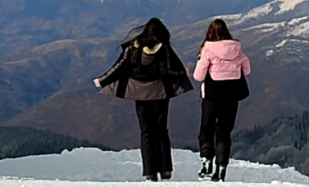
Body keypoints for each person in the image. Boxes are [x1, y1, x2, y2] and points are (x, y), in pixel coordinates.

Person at [94, 17, 193, 182]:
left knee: (146, 133)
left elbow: (120, 67)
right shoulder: (164, 48)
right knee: (161, 131)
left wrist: (102, 80)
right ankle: (165, 170)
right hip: (160, 94)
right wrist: (183, 73)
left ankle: (149, 172)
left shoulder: (133, 48)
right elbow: (168, 70)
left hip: (140, 95)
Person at [192, 19, 251, 182]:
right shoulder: (237, 49)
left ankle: (206, 162)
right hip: (231, 97)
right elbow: (247, 70)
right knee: (224, 132)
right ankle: (221, 166)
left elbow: (198, 76)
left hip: (211, 96)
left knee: (206, 129)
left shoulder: (208, 50)